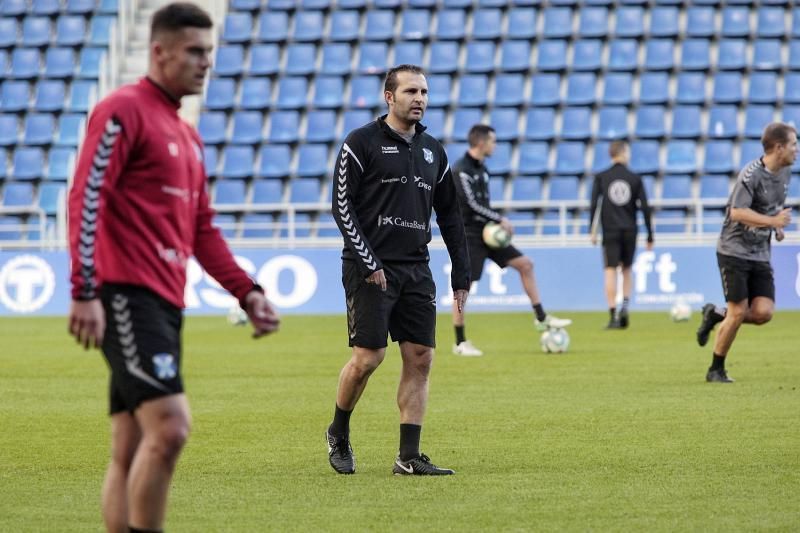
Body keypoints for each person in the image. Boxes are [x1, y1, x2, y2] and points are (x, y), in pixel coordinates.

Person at [67, 4, 280, 532]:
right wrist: (84, 288)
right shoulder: (121, 111)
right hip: (124, 294)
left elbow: (201, 228)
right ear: (159, 51)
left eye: (208, 52)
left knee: (132, 443)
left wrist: (246, 291)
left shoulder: (187, 134)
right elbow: (86, 196)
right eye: (194, 51)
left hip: (163, 299)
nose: (205, 62)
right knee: (171, 428)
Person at [327, 64, 471, 476]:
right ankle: (338, 431)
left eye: (424, 92)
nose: (420, 99)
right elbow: (342, 205)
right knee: (369, 358)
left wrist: (461, 274)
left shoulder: (434, 152)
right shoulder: (360, 143)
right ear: (389, 97)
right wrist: (368, 261)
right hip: (368, 267)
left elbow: (451, 216)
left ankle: (408, 457)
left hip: (416, 268)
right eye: (411, 91)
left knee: (421, 357)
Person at [450, 124, 571, 356]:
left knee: (526, 264)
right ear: (481, 142)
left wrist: (496, 222)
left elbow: (483, 205)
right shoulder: (461, 170)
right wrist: (500, 219)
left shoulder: (482, 169)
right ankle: (460, 342)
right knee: (463, 288)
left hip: (489, 233)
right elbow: (470, 204)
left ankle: (541, 318)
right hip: (470, 236)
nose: (495, 145)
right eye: (493, 141)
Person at [695, 122, 795, 383]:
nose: (797, 150)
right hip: (734, 250)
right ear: (779, 147)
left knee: (763, 313)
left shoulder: (786, 173)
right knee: (738, 311)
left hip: (760, 252)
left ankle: (716, 313)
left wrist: (776, 226)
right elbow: (737, 212)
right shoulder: (750, 175)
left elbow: (770, 208)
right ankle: (715, 369)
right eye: (794, 144)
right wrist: (773, 222)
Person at [588, 140, 654, 329]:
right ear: (624, 153)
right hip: (630, 230)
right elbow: (645, 207)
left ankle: (612, 313)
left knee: (610, 270)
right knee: (626, 269)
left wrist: (591, 231)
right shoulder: (634, 178)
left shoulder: (602, 177)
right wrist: (650, 235)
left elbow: (594, 205)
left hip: (609, 231)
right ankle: (625, 306)